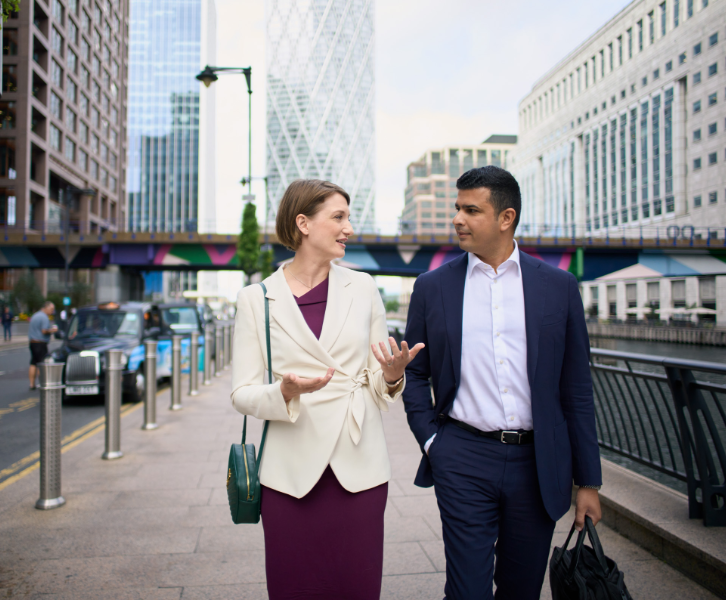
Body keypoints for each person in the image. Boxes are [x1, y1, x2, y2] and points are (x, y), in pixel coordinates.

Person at [402, 165, 602, 600]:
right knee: (467, 589)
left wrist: (588, 482)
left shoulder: (559, 287)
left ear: (505, 217)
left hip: (538, 463)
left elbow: (576, 389)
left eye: (471, 210)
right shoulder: (432, 287)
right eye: (457, 208)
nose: (457, 218)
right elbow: (415, 371)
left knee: (521, 588)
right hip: (463, 457)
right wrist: (433, 442)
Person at [231, 179, 424, 600]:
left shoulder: (364, 288)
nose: (348, 228)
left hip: (359, 468)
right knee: (294, 587)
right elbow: (241, 393)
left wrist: (392, 375)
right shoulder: (256, 299)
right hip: (289, 474)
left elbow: (377, 384)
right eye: (338, 217)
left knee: (357, 586)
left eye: (348, 218)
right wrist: (283, 393)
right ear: (303, 223)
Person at [28, 301, 58, 390]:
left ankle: (32, 384)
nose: (52, 311)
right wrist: (53, 330)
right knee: (42, 364)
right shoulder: (44, 317)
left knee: (33, 363)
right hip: (40, 343)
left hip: (32, 342)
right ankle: (43, 383)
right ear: (46, 307)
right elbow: (44, 331)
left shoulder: (35, 315)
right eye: (52, 309)